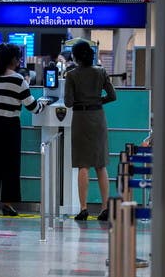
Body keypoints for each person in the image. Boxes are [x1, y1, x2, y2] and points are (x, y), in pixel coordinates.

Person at [0, 43, 45, 217]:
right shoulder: (18, 79)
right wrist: (43, 104)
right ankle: (7, 204)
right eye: (18, 58)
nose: (19, 62)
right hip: (9, 126)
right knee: (10, 166)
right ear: (12, 59)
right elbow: (32, 106)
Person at [64, 40, 116, 221]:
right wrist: (97, 101)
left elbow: (68, 103)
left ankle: (84, 208)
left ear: (75, 57)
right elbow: (112, 96)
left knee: (83, 165)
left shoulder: (71, 75)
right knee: (100, 165)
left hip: (80, 119)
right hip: (98, 118)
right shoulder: (101, 72)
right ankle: (105, 208)